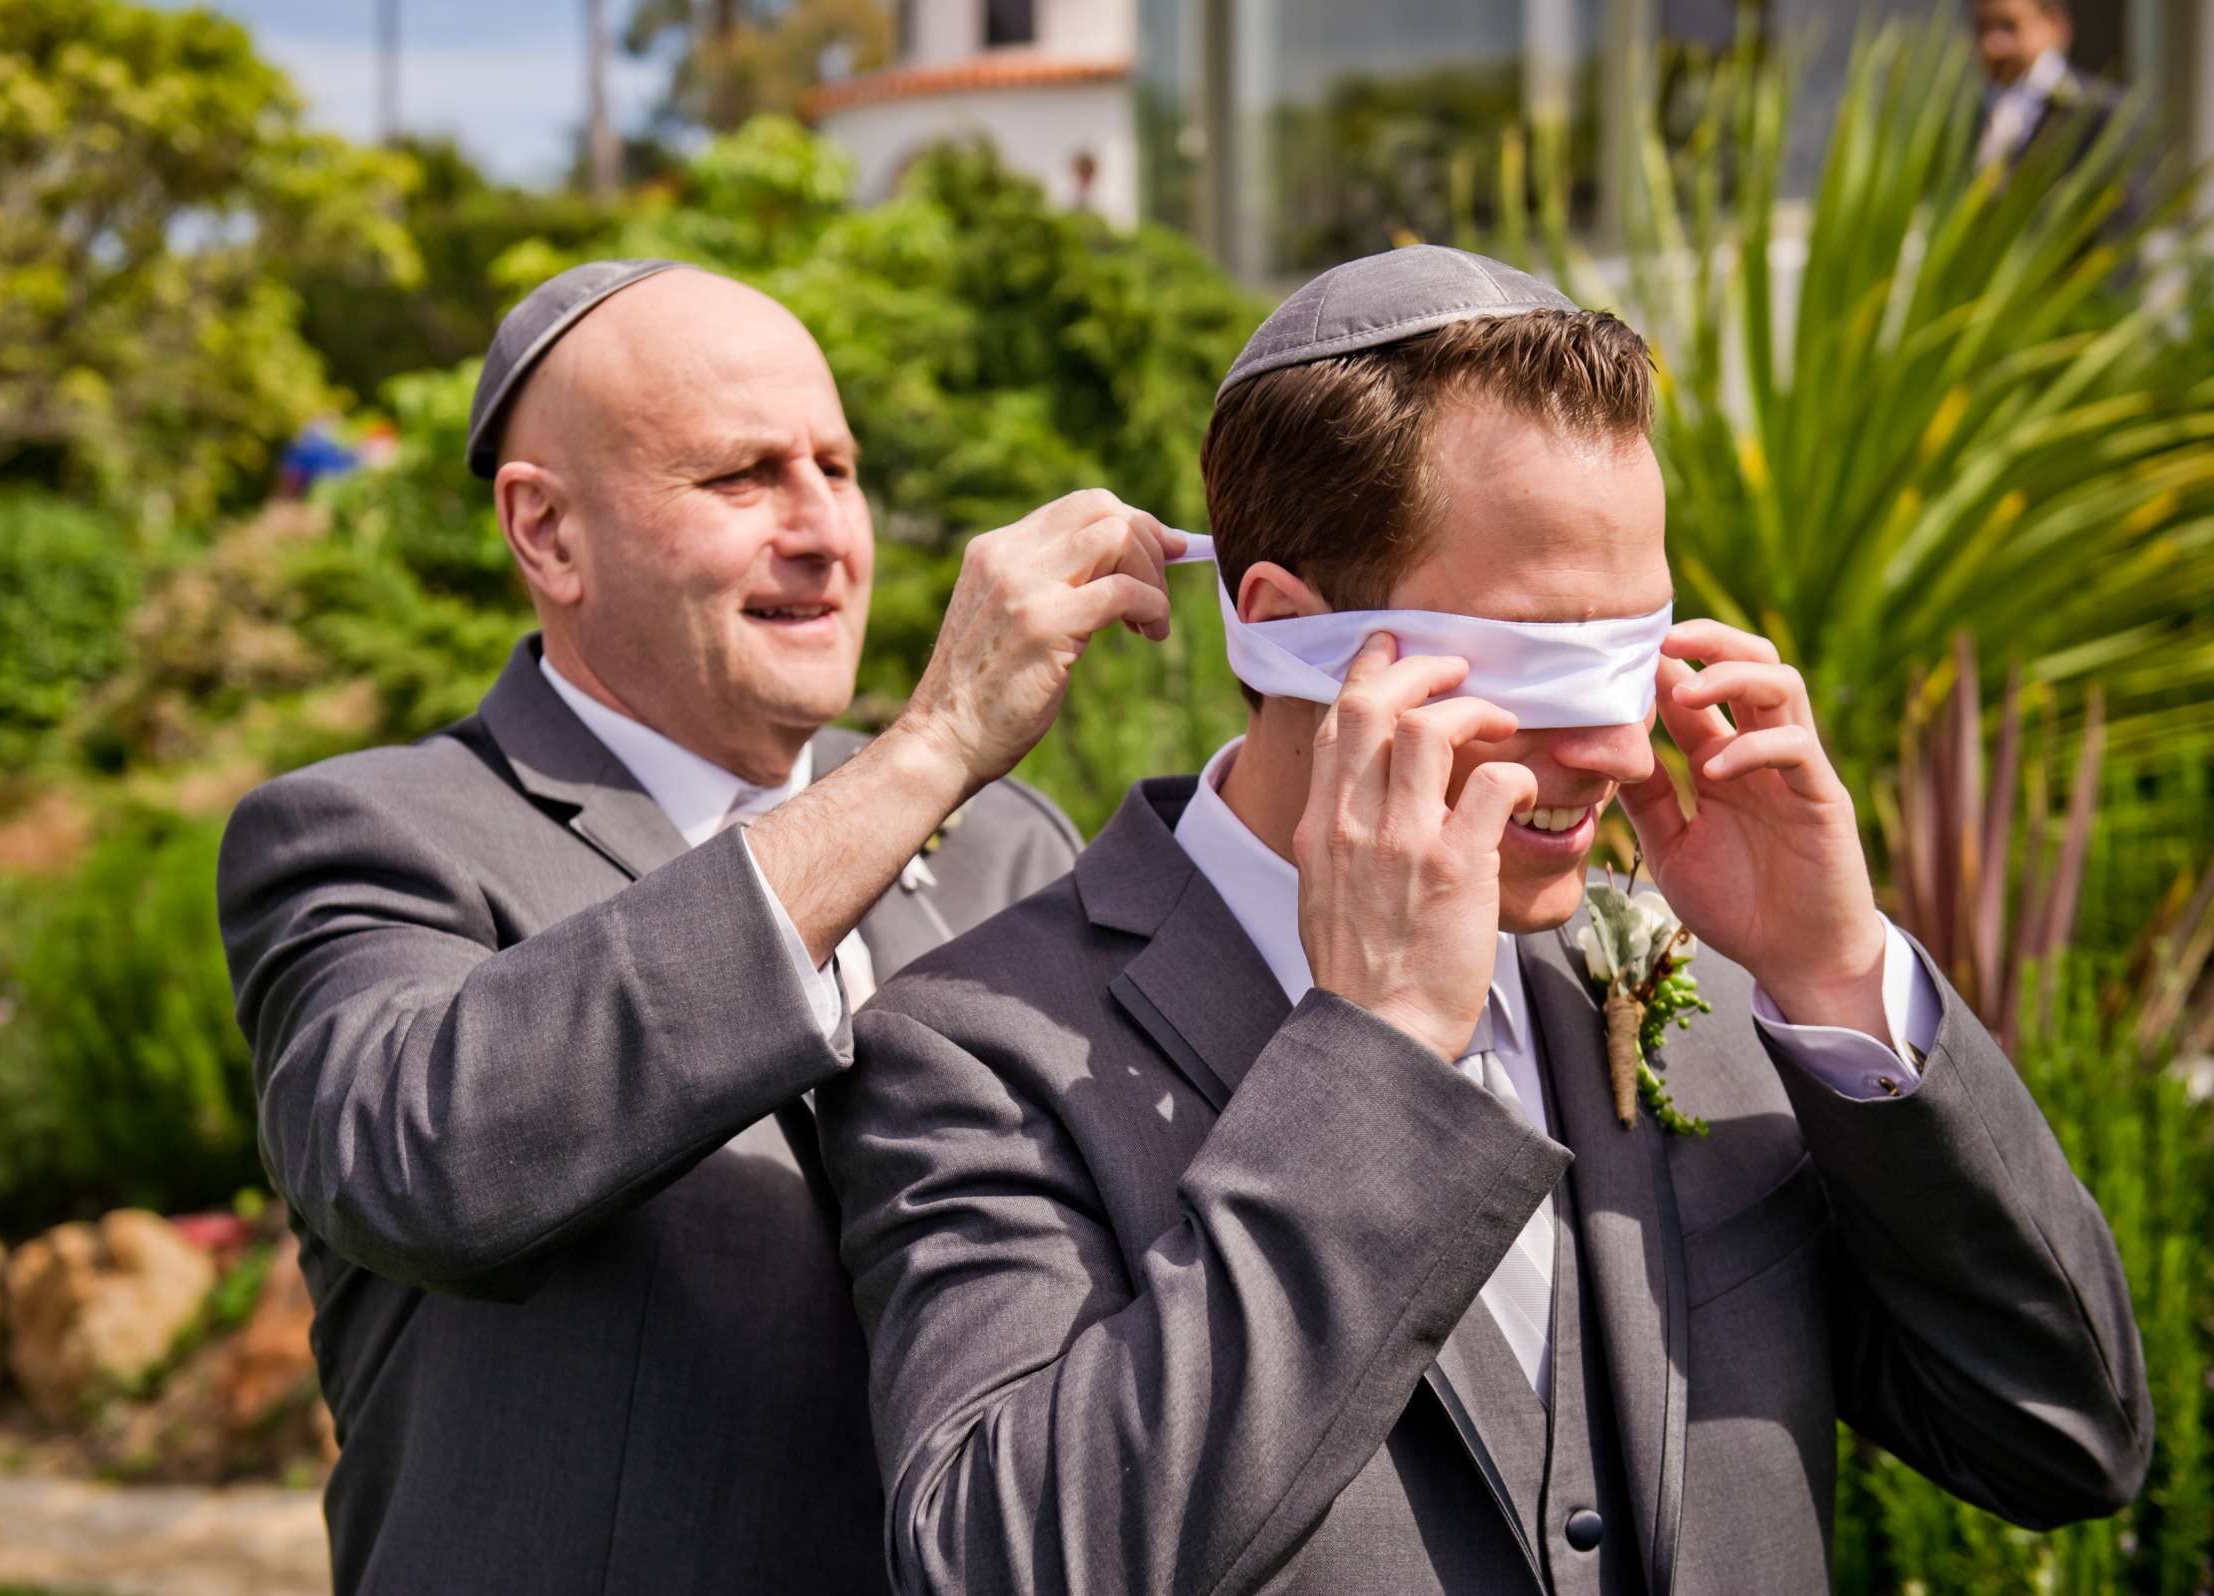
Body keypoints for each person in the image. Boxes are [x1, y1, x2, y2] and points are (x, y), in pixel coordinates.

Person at [824, 247, 2150, 1596]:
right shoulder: (977, 1049)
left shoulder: (1673, 975)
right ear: (1295, 629)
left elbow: (2066, 1440)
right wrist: (1376, 1058)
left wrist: (1837, 975)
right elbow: (1005, 1568)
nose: (1624, 752)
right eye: (1538, 658)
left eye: (1635, 652)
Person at [217, 259, 1179, 1595]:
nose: (824, 532)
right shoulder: (371, 834)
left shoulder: (1012, 846)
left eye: (836, 470)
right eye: (741, 479)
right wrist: (933, 747)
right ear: (548, 532)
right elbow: (424, 1160)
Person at [1971, 0, 2121, 173]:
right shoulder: (1969, 114)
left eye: (2009, 26)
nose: (1992, 46)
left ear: (2054, 24)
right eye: (1982, 28)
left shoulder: (2102, 112)